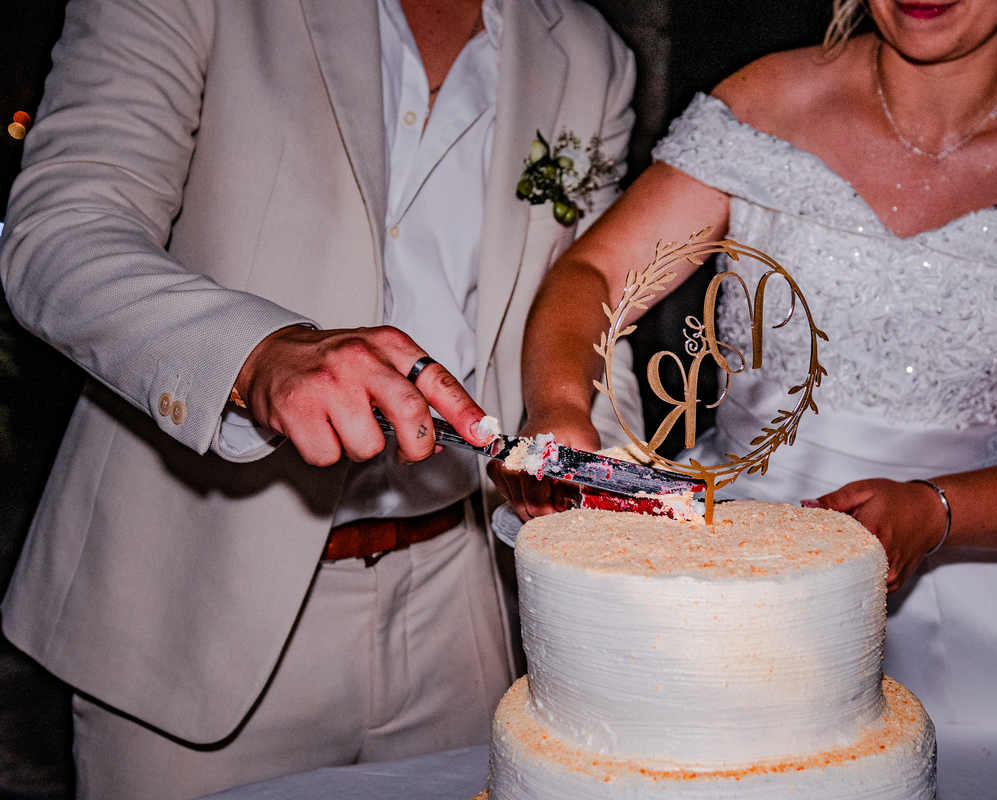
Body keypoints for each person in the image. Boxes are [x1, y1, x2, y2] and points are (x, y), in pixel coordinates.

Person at [494, 0, 997, 738]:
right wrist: (559, 406)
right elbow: (597, 274)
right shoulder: (765, 102)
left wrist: (938, 510)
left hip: (975, 595)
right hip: (728, 554)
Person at [0, 0, 633, 797]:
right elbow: (62, 230)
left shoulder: (591, 53)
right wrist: (257, 353)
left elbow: (591, 314)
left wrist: (591, 458)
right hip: (193, 585)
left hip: (464, 601)